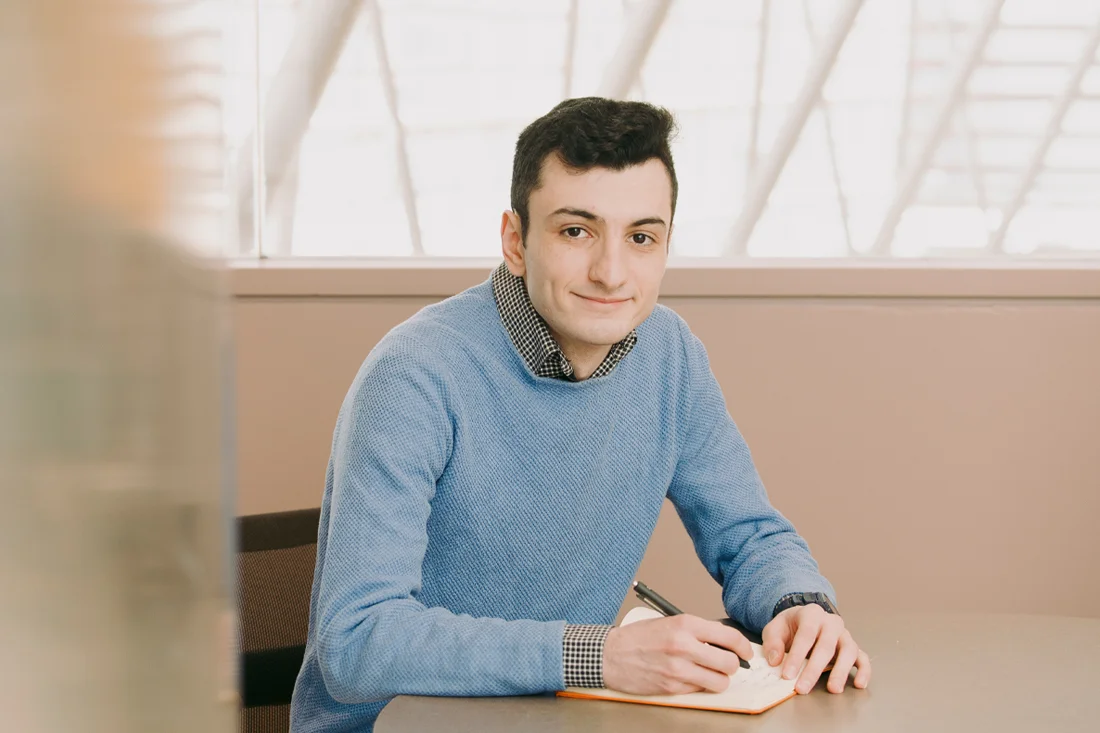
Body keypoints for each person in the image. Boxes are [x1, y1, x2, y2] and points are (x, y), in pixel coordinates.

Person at [289, 97, 871, 732]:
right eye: (576, 231)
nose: (611, 271)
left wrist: (799, 604)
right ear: (516, 240)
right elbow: (356, 642)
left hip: (555, 719)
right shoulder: (415, 374)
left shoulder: (669, 354)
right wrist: (598, 655)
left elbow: (751, 535)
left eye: (642, 237)